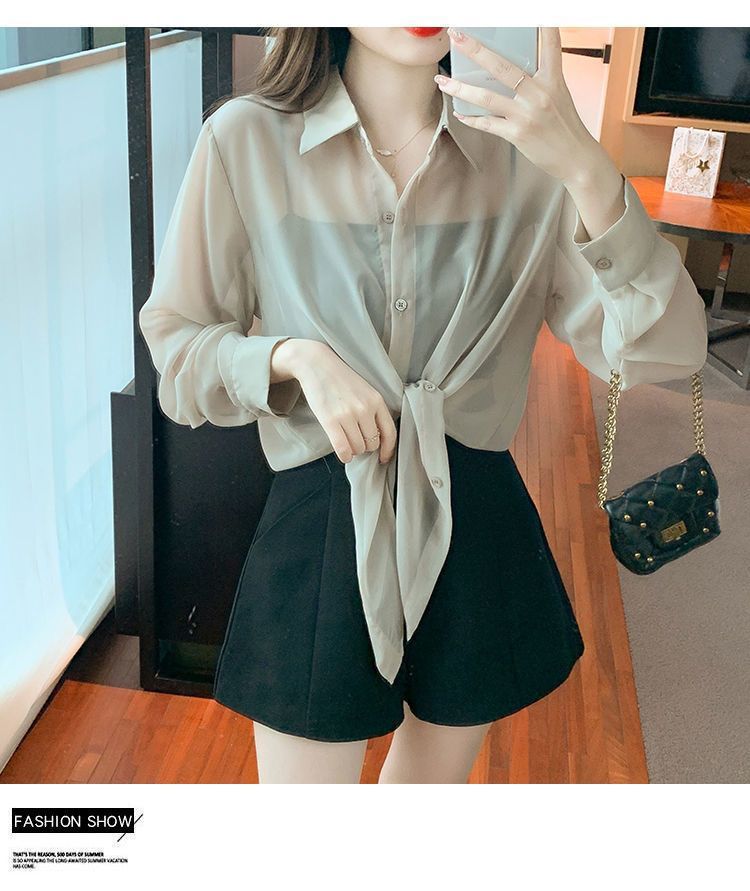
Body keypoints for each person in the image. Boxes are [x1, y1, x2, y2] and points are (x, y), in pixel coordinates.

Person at [138, 27, 708, 783]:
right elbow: (178, 351)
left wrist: (589, 172)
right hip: (324, 524)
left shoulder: (531, 160)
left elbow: (664, 351)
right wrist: (292, 357)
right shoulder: (246, 141)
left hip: (474, 517)